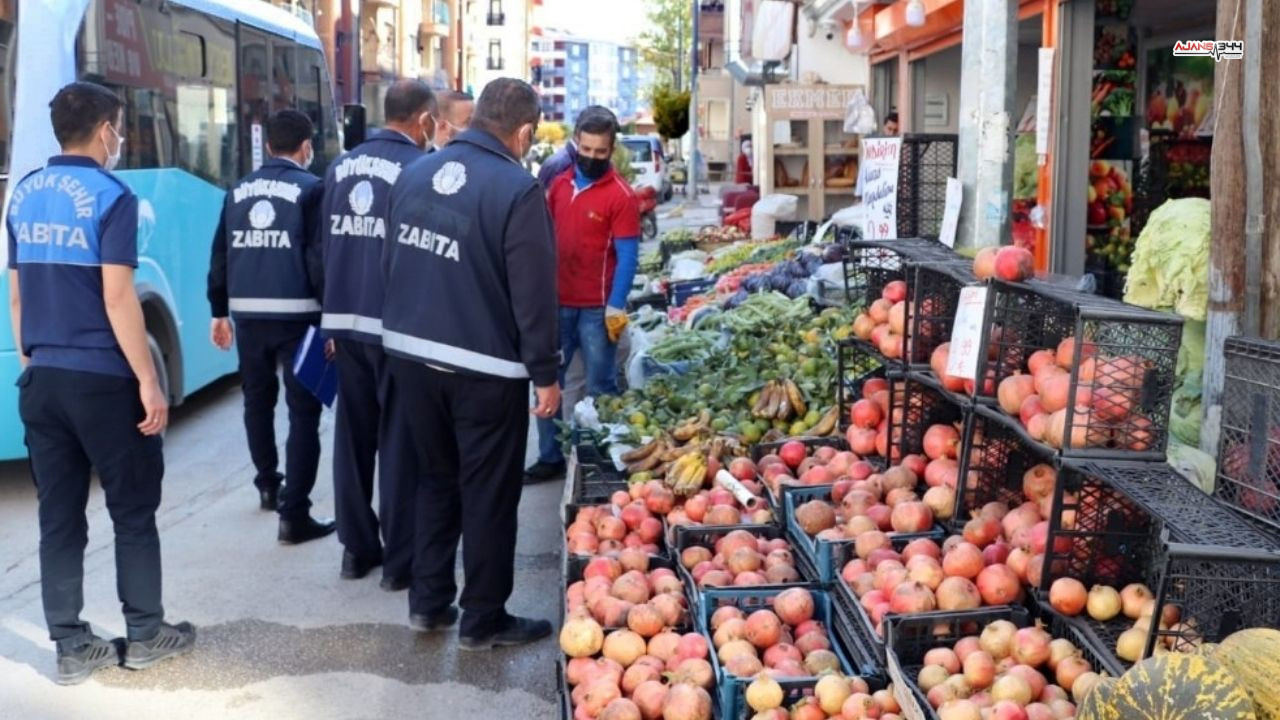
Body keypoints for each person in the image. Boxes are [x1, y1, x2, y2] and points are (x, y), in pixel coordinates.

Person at [6, 81, 195, 684]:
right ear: (106, 130)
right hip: (103, 379)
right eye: (119, 128)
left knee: (59, 516)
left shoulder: (25, 192)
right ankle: (145, 633)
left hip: (44, 378)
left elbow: (17, 290)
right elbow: (119, 298)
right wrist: (148, 378)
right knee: (132, 511)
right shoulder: (112, 195)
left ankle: (70, 646)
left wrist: (32, 362)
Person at [382, 77, 559, 649]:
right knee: (487, 491)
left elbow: (393, 260)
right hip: (484, 368)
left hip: (411, 356)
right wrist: (546, 373)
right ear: (525, 131)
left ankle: (428, 603)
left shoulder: (414, 172)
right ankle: (483, 616)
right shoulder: (517, 189)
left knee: (434, 480)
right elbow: (533, 294)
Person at [320, 79, 436, 589]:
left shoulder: (339, 165)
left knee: (352, 438)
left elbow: (323, 245)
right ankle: (399, 563)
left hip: (345, 321)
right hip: (395, 326)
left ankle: (355, 549)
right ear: (424, 121)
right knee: (399, 442)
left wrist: (327, 317)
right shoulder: (417, 169)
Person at [207, 110, 334, 545]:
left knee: (257, 403)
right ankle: (294, 515)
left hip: (248, 318)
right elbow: (318, 259)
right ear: (305, 146)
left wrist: (217, 310)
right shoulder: (311, 189)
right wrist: (331, 317)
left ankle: (267, 484)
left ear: (267, 145)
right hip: (300, 318)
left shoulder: (238, 189)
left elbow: (221, 253)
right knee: (304, 414)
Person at [525, 107, 640, 484]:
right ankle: (550, 457)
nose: (591, 157)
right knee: (549, 383)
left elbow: (627, 256)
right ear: (576, 142)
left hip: (595, 309)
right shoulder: (557, 186)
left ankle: (599, 458)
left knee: (600, 385)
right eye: (586, 149)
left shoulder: (621, 196)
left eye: (600, 151)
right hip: (556, 305)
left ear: (612, 149)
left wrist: (616, 305)